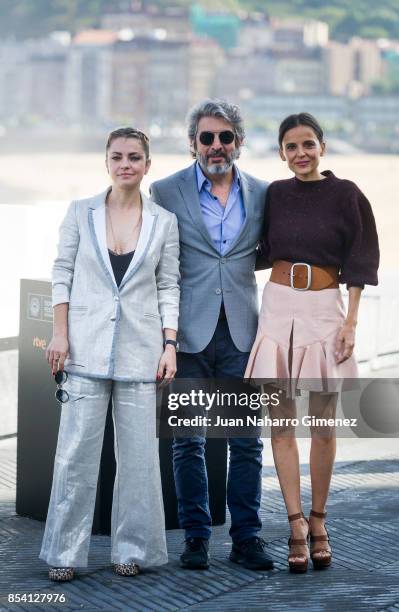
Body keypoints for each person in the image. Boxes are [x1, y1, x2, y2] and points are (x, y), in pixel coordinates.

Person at [39, 127, 180, 581]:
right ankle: (64, 553)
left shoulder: (164, 221)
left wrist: (170, 345)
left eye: (135, 157)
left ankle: (132, 550)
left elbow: (168, 286)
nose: (126, 164)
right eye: (118, 156)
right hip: (84, 349)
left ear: (147, 165)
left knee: (139, 460)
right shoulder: (80, 213)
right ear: (106, 162)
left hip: (142, 352)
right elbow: (61, 274)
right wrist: (59, 334)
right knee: (75, 456)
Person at [245, 112, 380, 573]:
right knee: (281, 426)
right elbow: (251, 248)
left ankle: (320, 520)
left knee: (323, 424)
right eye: (290, 147)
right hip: (278, 308)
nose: (300, 154)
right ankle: (295, 524)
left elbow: (361, 261)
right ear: (281, 153)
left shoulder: (347, 195)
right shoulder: (275, 195)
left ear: (322, 146)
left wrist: (351, 324)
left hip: (326, 308)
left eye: (307, 144)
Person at [150, 99, 274, 571]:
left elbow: (270, 252)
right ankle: (196, 538)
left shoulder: (263, 193)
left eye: (225, 137)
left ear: (239, 142)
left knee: (246, 441)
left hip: (244, 333)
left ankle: (247, 538)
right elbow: (154, 263)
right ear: (193, 143)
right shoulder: (164, 191)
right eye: (207, 137)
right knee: (188, 442)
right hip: (186, 336)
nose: (216, 145)